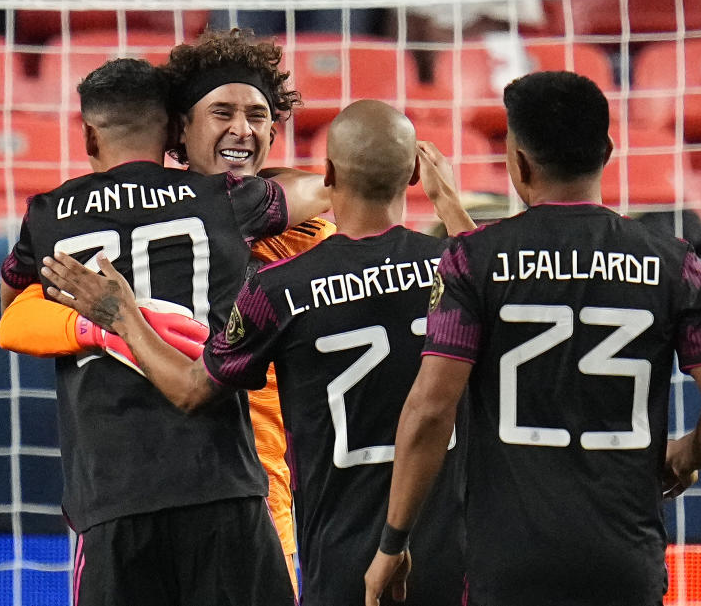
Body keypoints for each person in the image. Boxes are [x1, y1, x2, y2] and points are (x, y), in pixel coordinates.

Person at [37, 99, 475, 606]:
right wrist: (450, 205)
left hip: (341, 552)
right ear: (417, 172)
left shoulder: (278, 289)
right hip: (453, 549)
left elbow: (191, 390)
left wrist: (123, 317)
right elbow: (487, 276)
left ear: (328, 174)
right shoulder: (456, 267)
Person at [363, 71, 701, 606]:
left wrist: (394, 543)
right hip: (624, 559)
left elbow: (430, 409)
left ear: (519, 162)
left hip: (510, 561)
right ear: (608, 152)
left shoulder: (471, 261)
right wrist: (685, 453)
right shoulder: (674, 263)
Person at [0, 28, 335, 590]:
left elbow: (11, 313)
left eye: (257, 115)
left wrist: (101, 324)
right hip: (209, 481)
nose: (241, 129)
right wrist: (98, 326)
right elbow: (18, 318)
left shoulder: (311, 236)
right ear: (179, 128)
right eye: (222, 111)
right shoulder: (227, 207)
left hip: (270, 483)